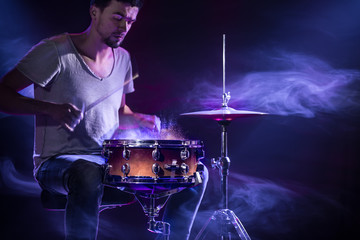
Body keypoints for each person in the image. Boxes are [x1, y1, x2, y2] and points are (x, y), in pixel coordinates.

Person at [0, 0, 208, 239]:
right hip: (57, 163)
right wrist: (50, 109)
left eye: (130, 21)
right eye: (117, 17)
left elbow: (118, 113)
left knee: (194, 172)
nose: (124, 27)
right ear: (94, 12)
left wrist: (139, 119)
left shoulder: (123, 59)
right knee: (88, 173)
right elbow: (3, 94)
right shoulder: (54, 51)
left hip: (108, 164)